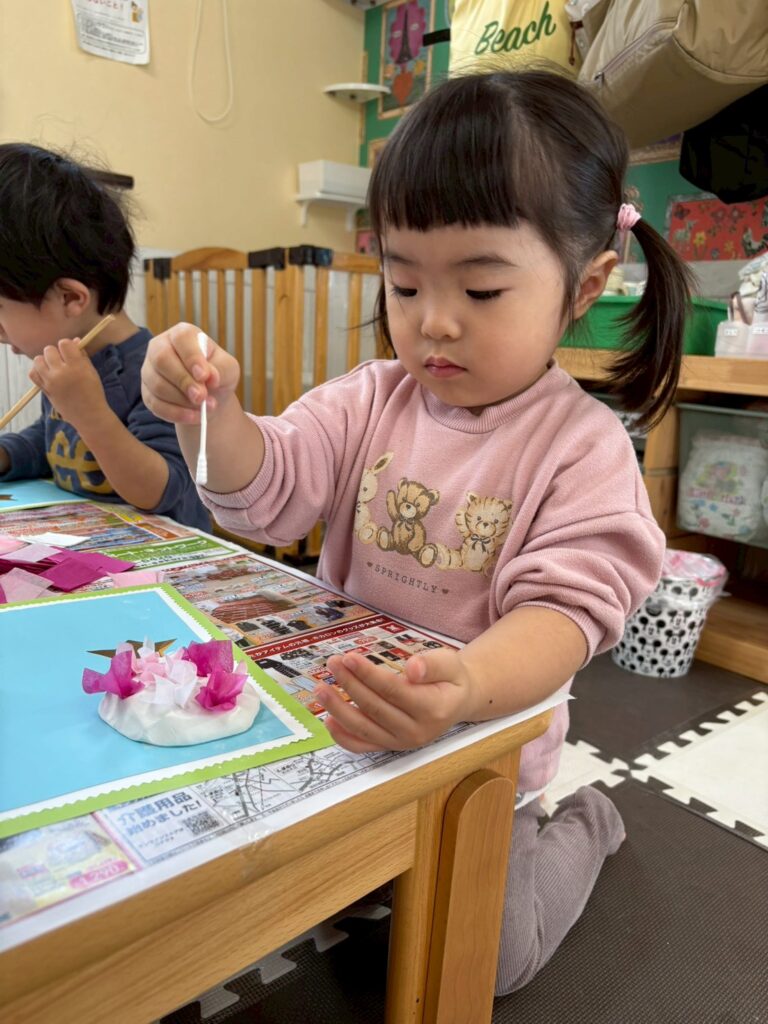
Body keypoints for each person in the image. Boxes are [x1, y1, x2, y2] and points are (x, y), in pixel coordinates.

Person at [140, 69, 691, 992]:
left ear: (584, 285)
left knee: (494, 961)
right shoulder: (370, 398)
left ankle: (588, 824)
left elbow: (566, 617)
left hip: (483, 756)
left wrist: (468, 684)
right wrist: (212, 414)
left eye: (482, 290)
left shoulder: (583, 447)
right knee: (255, 892)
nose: (433, 322)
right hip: (349, 731)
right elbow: (267, 492)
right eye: (403, 284)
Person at [0, 143, 209, 530]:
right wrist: (6, 455)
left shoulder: (158, 370)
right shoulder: (67, 356)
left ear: (70, 298)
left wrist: (89, 413)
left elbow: (161, 490)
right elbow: (54, 443)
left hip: (162, 552)